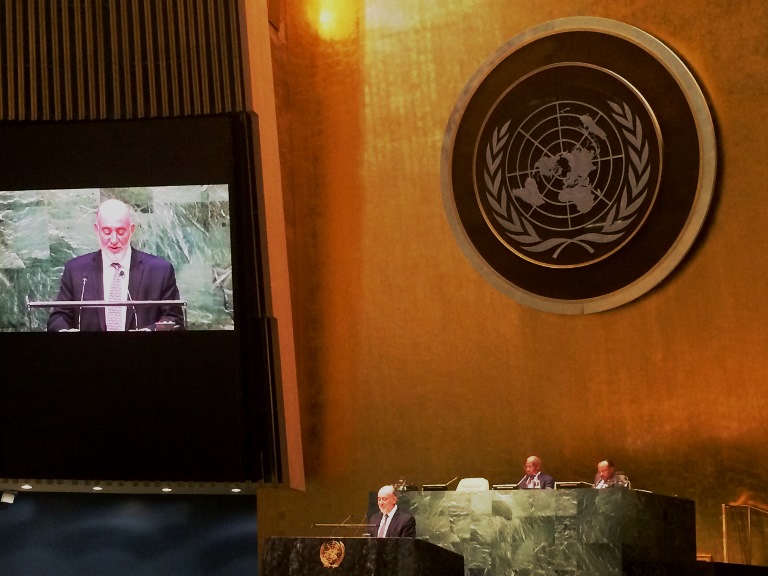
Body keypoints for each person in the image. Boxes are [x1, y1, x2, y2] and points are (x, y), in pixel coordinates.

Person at [47, 199, 184, 332]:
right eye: (107, 232)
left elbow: (174, 321)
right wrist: (64, 330)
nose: (113, 240)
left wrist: (148, 331)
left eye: (120, 231)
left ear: (131, 230)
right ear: (97, 229)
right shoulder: (75, 270)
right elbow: (59, 317)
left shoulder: (160, 271)